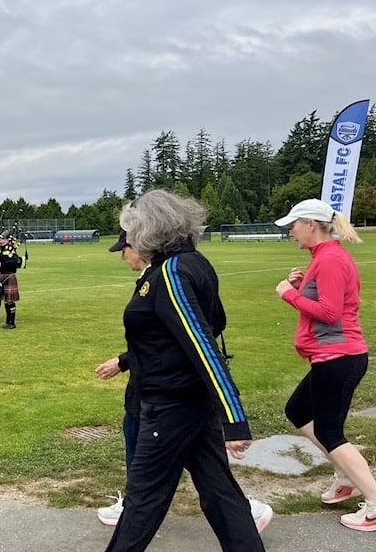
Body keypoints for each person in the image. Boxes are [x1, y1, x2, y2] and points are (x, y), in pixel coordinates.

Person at [102, 190, 264, 552]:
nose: (126, 243)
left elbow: (204, 346)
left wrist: (234, 420)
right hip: (189, 403)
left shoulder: (171, 273)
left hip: (171, 408)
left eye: (129, 233)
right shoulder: (190, 263)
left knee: (143, 502)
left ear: (147, 231)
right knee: (221, 496)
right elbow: (208, 324)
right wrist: (129, 360)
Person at [275, 198, 376, 532]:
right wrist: (302, 288)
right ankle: (345, 475)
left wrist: (288, 293)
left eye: (293, 227)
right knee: (298, 411)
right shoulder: (322, 258)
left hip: (339, 358)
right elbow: (329, 303)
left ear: (310, 225)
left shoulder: (329, 259)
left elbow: (330, 314)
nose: (290, 233)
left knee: (329, 432)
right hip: (332, 357)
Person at [0, 230, 22, 329]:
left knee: (10, 300)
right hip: (1, 276)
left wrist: (1, 264)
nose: (0, 241)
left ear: (7, 240)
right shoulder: (0, 249)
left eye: (2, 239)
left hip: (9, 276)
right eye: (0, 239)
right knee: (5, 300)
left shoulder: (11, 250)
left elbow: (15, 261)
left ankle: (11, 323)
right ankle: (8, 321)